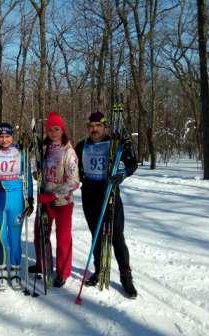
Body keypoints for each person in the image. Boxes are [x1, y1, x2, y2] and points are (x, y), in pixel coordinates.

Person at [74, 111, 138, 298]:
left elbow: (132, 164)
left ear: (104, 127)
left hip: (109, 192)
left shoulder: (115, 144)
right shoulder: (81, 145)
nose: (94, 129)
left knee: (117, 236)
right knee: (96, 235)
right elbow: (70, 163)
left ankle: (126, 277)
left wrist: (122, 175)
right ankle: (99, 269)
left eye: (98, 126)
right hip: (89, 194)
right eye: (91, 126)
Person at [30, 111, 80, 288]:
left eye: (56, 129)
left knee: (63, 237)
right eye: (50, 129)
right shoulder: (44, 149)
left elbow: (74, 182)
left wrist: (54, 194)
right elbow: (36, 167)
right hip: (45, 200)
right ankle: (42, 264)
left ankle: (63, 271)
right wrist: (36, 172)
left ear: (62, 130)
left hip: (63, 202)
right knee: (40, 233)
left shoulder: (69, 152)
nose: (53, 132)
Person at [0, 122, 33, 291]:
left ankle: (15, 270)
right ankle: (1, 271)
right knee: (0, 237)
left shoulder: (20, 153)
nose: (4, 140)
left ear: (12, 137)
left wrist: (30, 197)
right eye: (1, 136)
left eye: (7, 136)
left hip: (17, 200)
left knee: (15, 238)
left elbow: (28, 176)